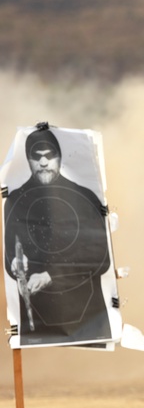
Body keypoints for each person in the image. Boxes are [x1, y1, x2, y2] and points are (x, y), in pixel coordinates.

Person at [3, 125, 112, 346]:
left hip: (86, 314)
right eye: (36, 156)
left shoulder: (84, 197)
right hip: (35, 319)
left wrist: (51, 275)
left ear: (60, 158)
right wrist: (14, 262)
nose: (43, 163)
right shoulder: (16, 200)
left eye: (49, 156)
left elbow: (100, 256)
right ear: (28, 159)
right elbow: (9, 250)